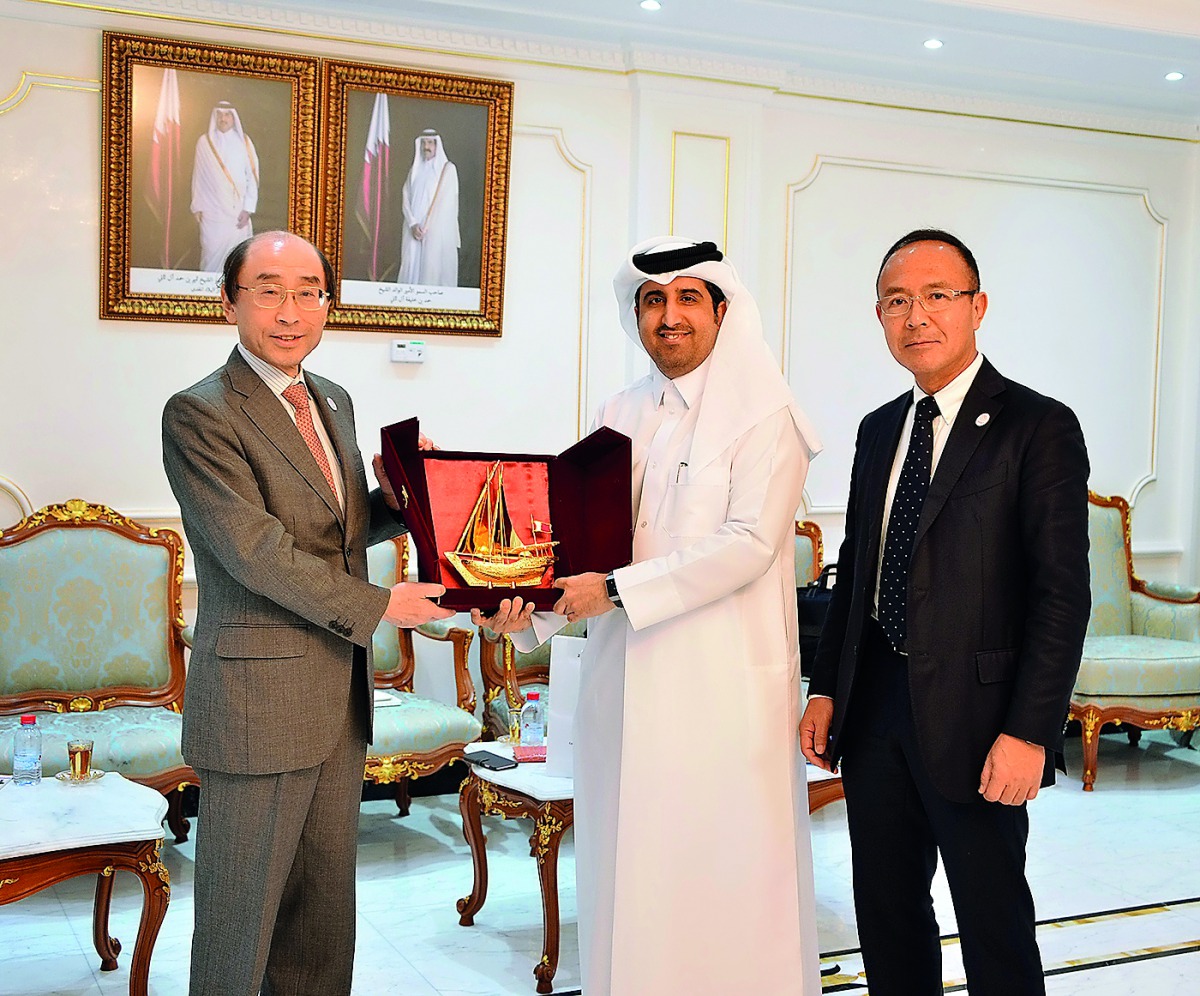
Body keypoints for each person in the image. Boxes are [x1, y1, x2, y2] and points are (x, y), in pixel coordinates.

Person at [478, 237, 823, 994]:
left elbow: (749, 546)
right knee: (625, 871)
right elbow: (577, 539)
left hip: (721, 698)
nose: (669, 317)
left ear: (723, 310)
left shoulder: (769, 414)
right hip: (624, 687)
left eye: (688, 298)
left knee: (721, 878)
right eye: (652, 301)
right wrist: (517, 605)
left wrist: (619, 591)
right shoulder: (622, 410)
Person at [799, 229, 1090, 995]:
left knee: (994, 925)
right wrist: (826, 687)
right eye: (898, 301)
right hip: (874, 717)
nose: (916, 316)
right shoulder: (876, 429)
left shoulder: (1038, 426)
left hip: (982, 719)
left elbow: (1063, 595)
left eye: (937, 296)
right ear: (880, 316)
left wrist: (1031, 732)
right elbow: (857, 569)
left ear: (977, 307)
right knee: (888, 919)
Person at [162, 231, 452, 996]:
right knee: (239, 922)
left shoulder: (333, 399)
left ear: (328, 304)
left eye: (309, 292)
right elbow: (254, 551)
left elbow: (338, 526)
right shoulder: (199, 413)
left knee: (322, 921)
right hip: (259, 704)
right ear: (229, 300)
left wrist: (408, 499)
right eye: (268, 289)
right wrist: (383, 602)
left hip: (337, 698)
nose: (290, 311)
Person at [191, 101, 259, 272]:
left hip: (237, 213)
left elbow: (252, 177)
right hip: (212, 212)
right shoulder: (204, 142)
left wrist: (248, 209)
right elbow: (198, 176)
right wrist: (197, 205)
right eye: (219, 114)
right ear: (215, 116)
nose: (223, 118)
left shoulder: (244, 142)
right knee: (210, 255)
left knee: (237, 260)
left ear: (233, 117)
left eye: (227, 114)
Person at [397, 129, 460, 286]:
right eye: (424, 142)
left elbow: (448, 207)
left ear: (437, 145)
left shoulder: (446, 171)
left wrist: (427, 227)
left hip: (433, 233)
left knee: (431, 273)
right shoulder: (414, 171)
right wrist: (412, 224)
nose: (427, 146)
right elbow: (405, 197)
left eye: (430, 142)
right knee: (410, 271)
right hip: (413, 230)